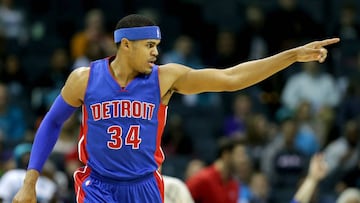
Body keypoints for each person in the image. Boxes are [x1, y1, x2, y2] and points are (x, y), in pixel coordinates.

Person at [12, 13, 339, 203]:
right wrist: (30, 180)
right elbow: (52, 123)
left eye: (157, 46)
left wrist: (292, 56)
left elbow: (231, 78)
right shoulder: (84, 79)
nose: (156, 53)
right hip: (98, 185)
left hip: (145, 184)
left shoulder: (166, 78)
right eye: (149, 46)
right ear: (126, 45)